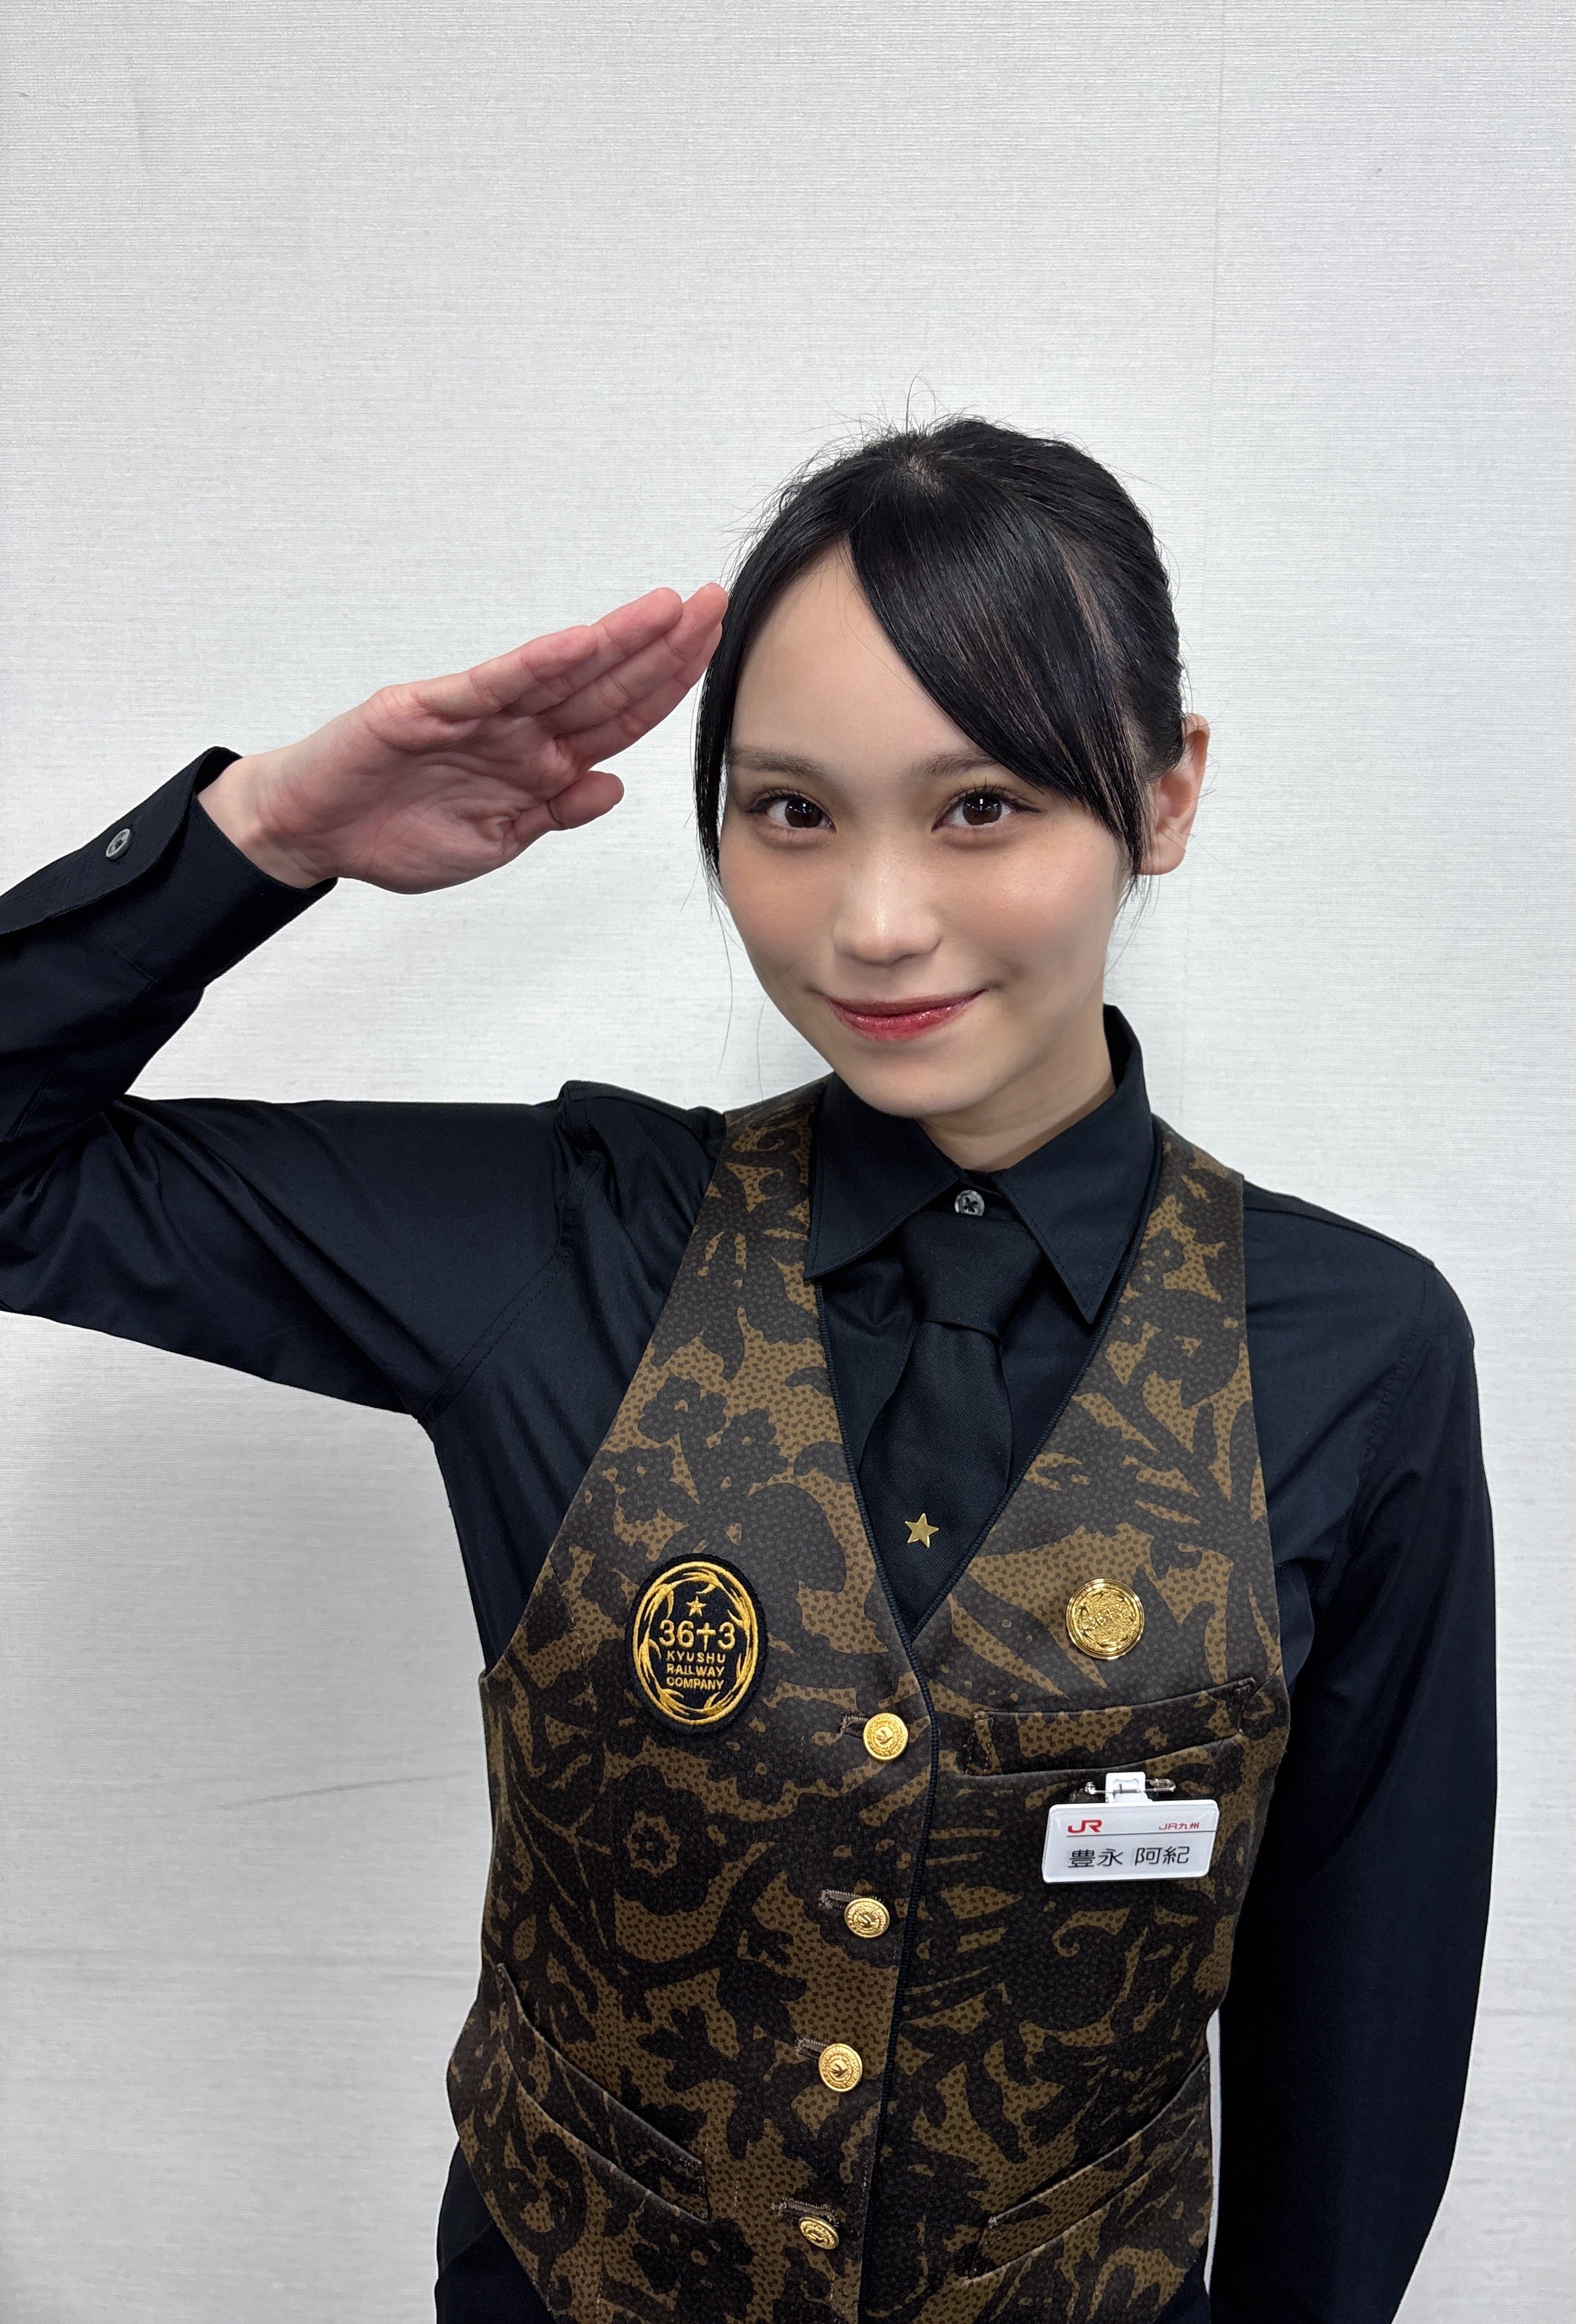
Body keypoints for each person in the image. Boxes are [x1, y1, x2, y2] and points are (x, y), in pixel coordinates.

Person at [0, 418, 1495, 2324]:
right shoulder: (568, 1246)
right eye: (791, 812)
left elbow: (1357, 2025)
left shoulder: (1355, 1350)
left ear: (1166, 793)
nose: (874, 922)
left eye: (981, 808)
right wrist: (267, 837)